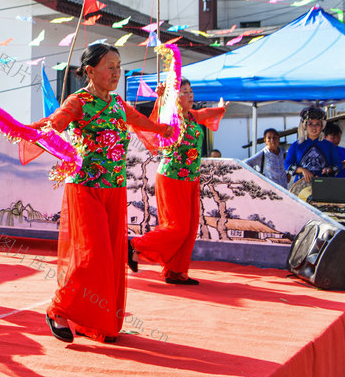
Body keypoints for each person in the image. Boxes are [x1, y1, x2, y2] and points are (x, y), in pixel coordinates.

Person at [31, 42, 174, 344]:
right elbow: (56, 123)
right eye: (110, 67)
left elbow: (140, 121)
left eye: (119, 67)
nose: (116, 72)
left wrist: (163, 130)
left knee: (110, 258)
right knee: (92, 254)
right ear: (90, 70)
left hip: (114, 189)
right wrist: (46, 130)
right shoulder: (78, 101)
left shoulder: (118, 104)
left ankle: (96, 322)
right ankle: (58, 310)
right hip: (85, 188)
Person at [129, 80, 227, 285]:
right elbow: (155, 121)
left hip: (191, 179)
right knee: (176, 228)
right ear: (175, 97)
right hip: (171, 178)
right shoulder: (170, 117)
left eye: (191, 91)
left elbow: (206, 113)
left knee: (189, 229)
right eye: (185, 92)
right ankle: (135, 246)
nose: (190, 95)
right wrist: (161, 97)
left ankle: (176, 272)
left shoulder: (191, 116)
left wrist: (220, 109)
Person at [285, 107, 341, 184]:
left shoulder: (329, 146)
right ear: (305, 125)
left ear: (322, 126)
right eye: (310, 124)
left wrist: (329, 170)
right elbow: (287, 165)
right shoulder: (296, 145)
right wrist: (302, 170)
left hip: (324, 184)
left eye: (317, 124)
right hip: (302, 186)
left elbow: (338, 165)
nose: (314, 127)